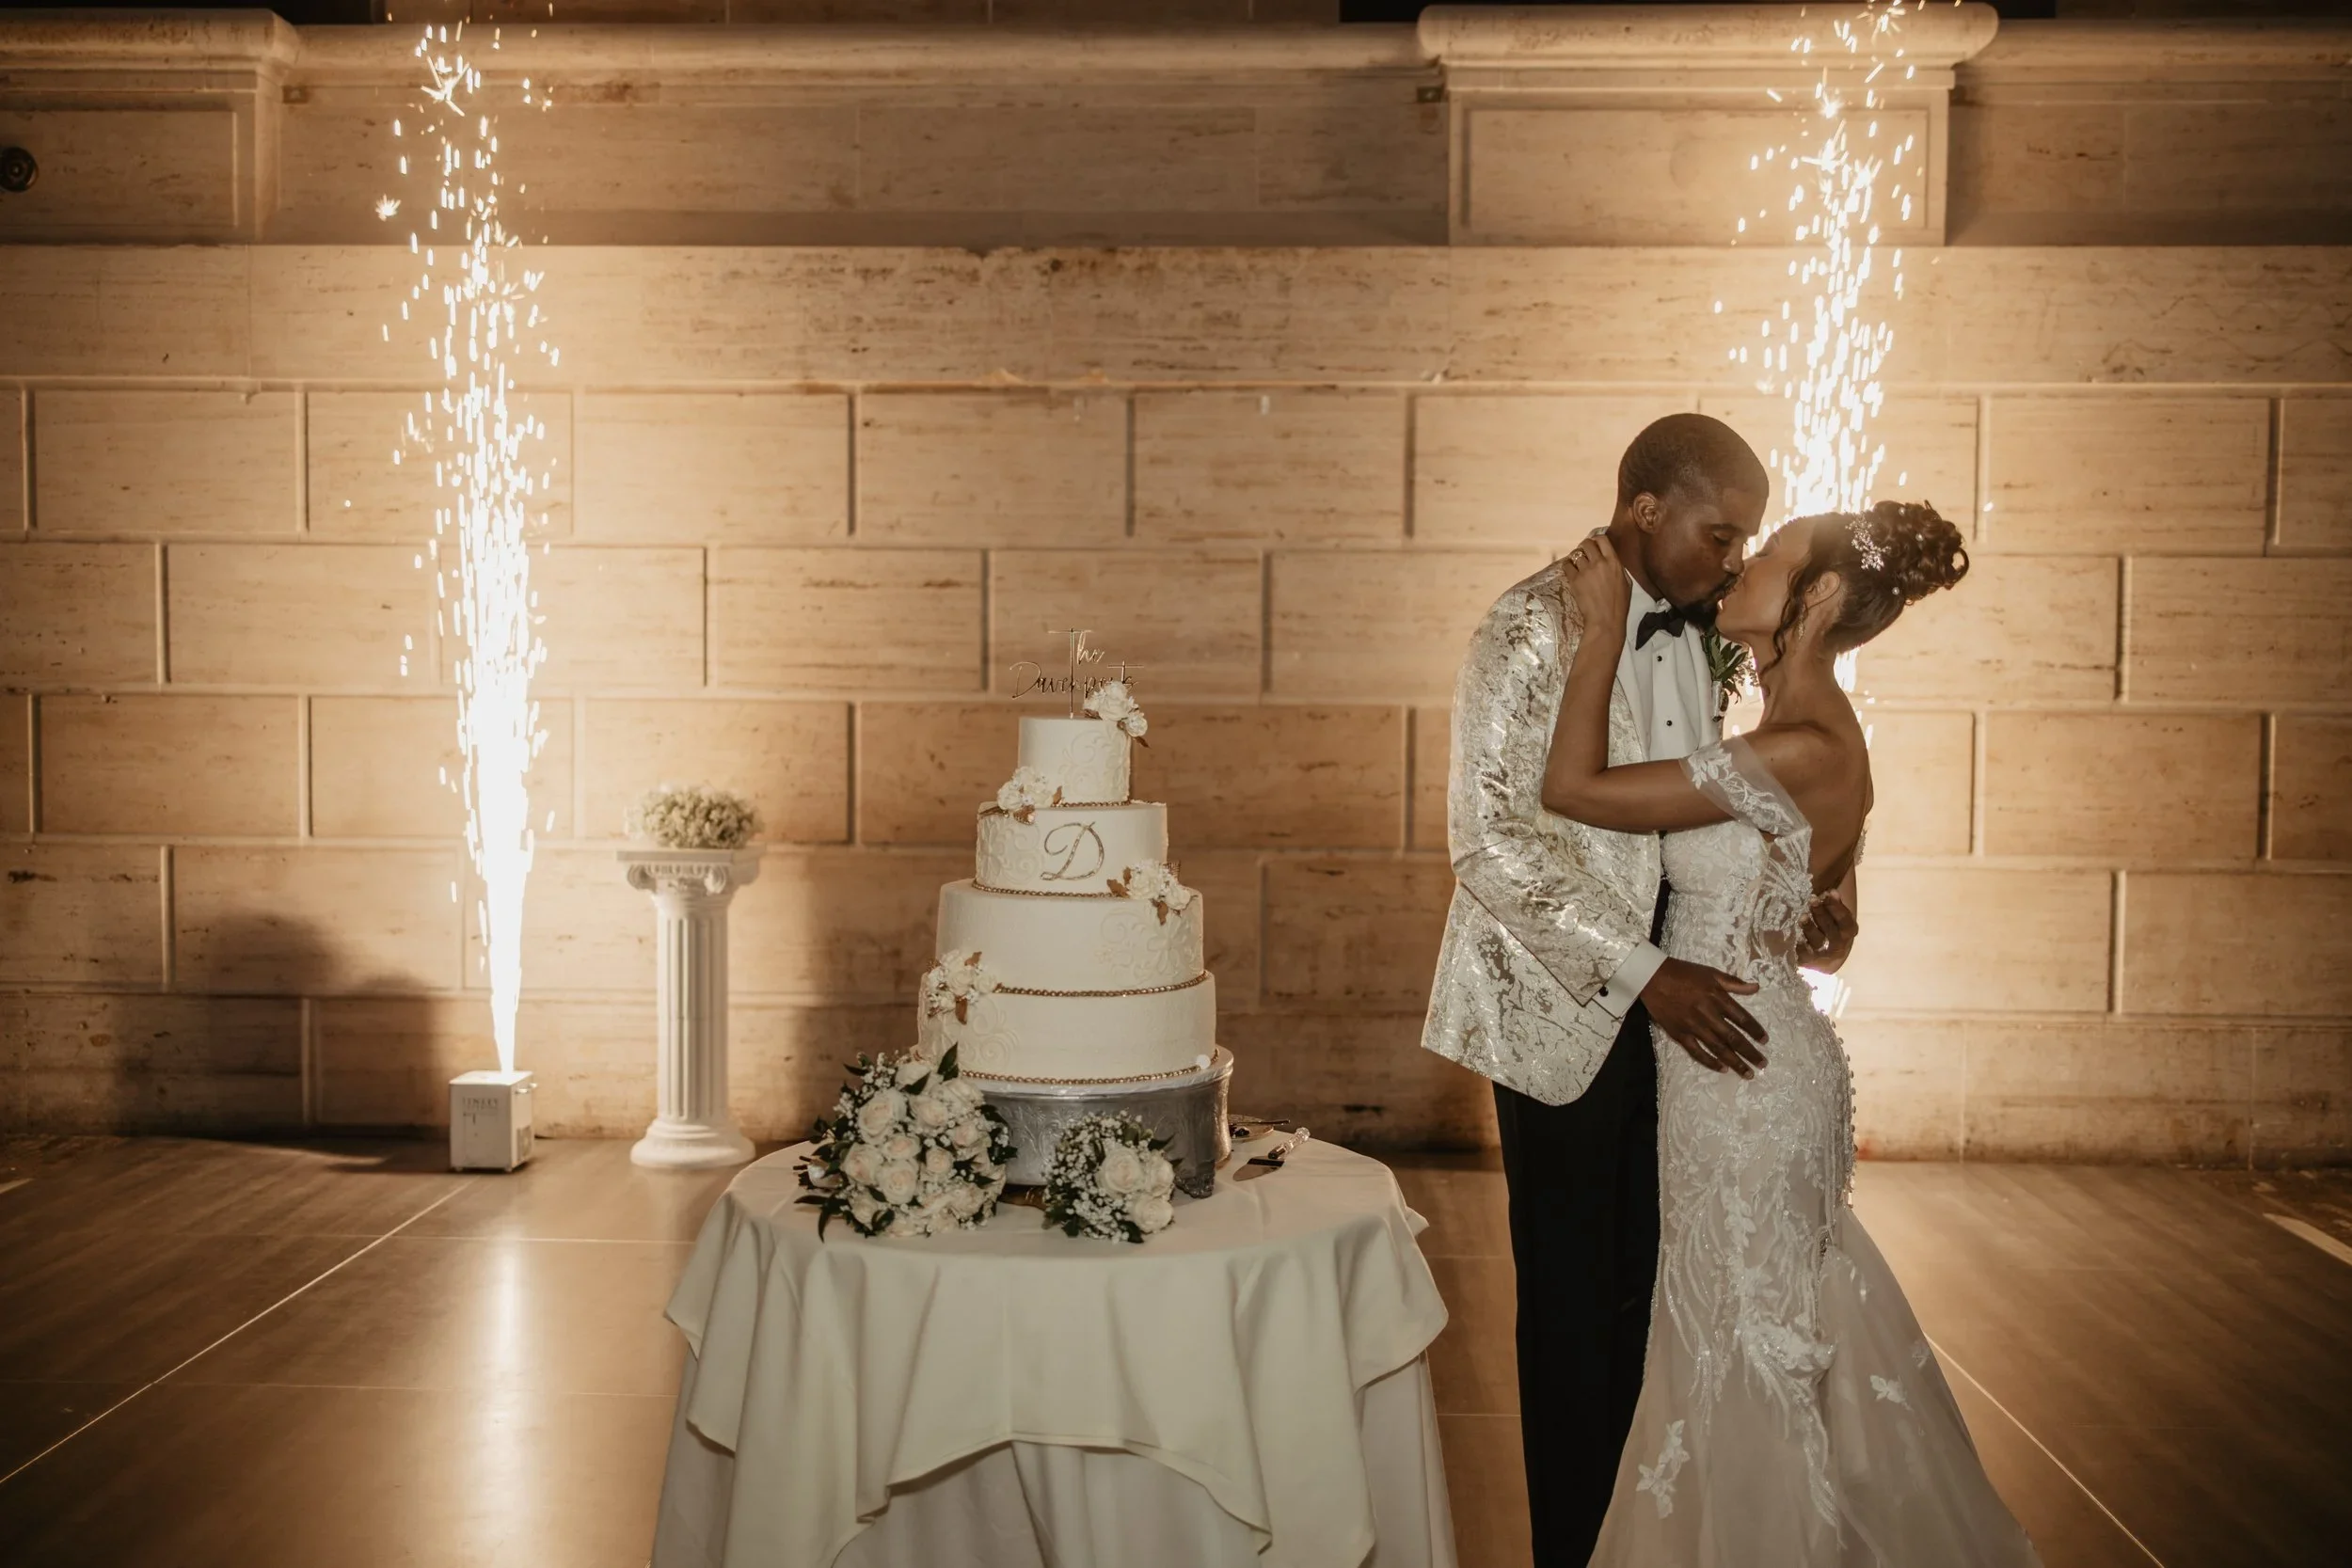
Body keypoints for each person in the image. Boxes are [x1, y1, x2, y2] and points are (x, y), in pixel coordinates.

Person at [1548, 504, 2040, 1565]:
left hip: (1742, 1078)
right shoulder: (1795, 741)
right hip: (1748, 1052)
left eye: (1765, 556)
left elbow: (1572, 790)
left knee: (1744, 1335)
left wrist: (1596, 632)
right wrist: (1808, 913)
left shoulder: (1805, 744)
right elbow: (1834, 937)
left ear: (1811, 600)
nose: (1740, 562)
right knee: (1736, 1325)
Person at [1421, 414, 1857, 1565]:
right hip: (1570, 1001)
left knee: (1658, 1295)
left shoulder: (1708, 632)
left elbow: (1698, 807)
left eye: (1747, 542)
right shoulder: (1530, 624)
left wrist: (1781, 903)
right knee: (1574, 1306)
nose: (1729, 560)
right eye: (1719, 533)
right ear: (1645, 508)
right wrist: (1642, 969)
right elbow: (1488, 843)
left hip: (1691, 999)